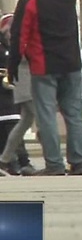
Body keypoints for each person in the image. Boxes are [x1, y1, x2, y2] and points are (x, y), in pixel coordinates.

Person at [8, 0, 82, 176]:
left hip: (44, 65)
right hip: (72, 63)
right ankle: (80, 161)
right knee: (74, 113)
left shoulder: (29, 1)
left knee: (46, 116)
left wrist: (13, 66)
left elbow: (19, 37)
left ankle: (54, 164)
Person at [0, 14, 36, 176]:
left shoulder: (16, 46)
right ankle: (12, 161)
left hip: (14, 91)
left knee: (17, 124)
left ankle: (21, 161)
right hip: (3, 95)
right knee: (9, 126)